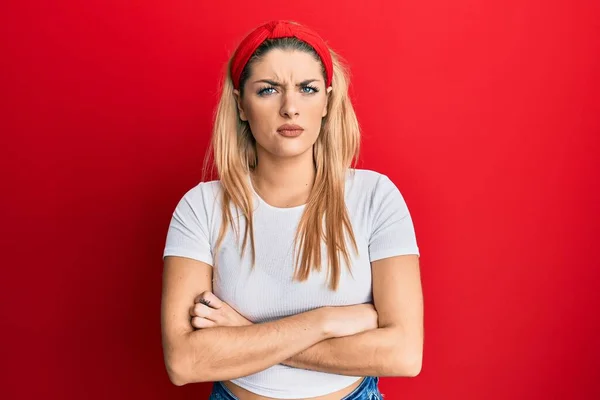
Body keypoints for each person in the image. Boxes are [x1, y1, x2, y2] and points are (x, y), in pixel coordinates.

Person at [161, 20, 423, 400]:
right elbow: (185, 362)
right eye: (268, 90)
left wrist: (243, 333)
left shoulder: (375, 197)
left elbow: (403, 354)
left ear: (327, 103)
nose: (290, 108)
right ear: (241, 105)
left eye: (307, 89)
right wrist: (326, 321)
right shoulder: (201, 207)